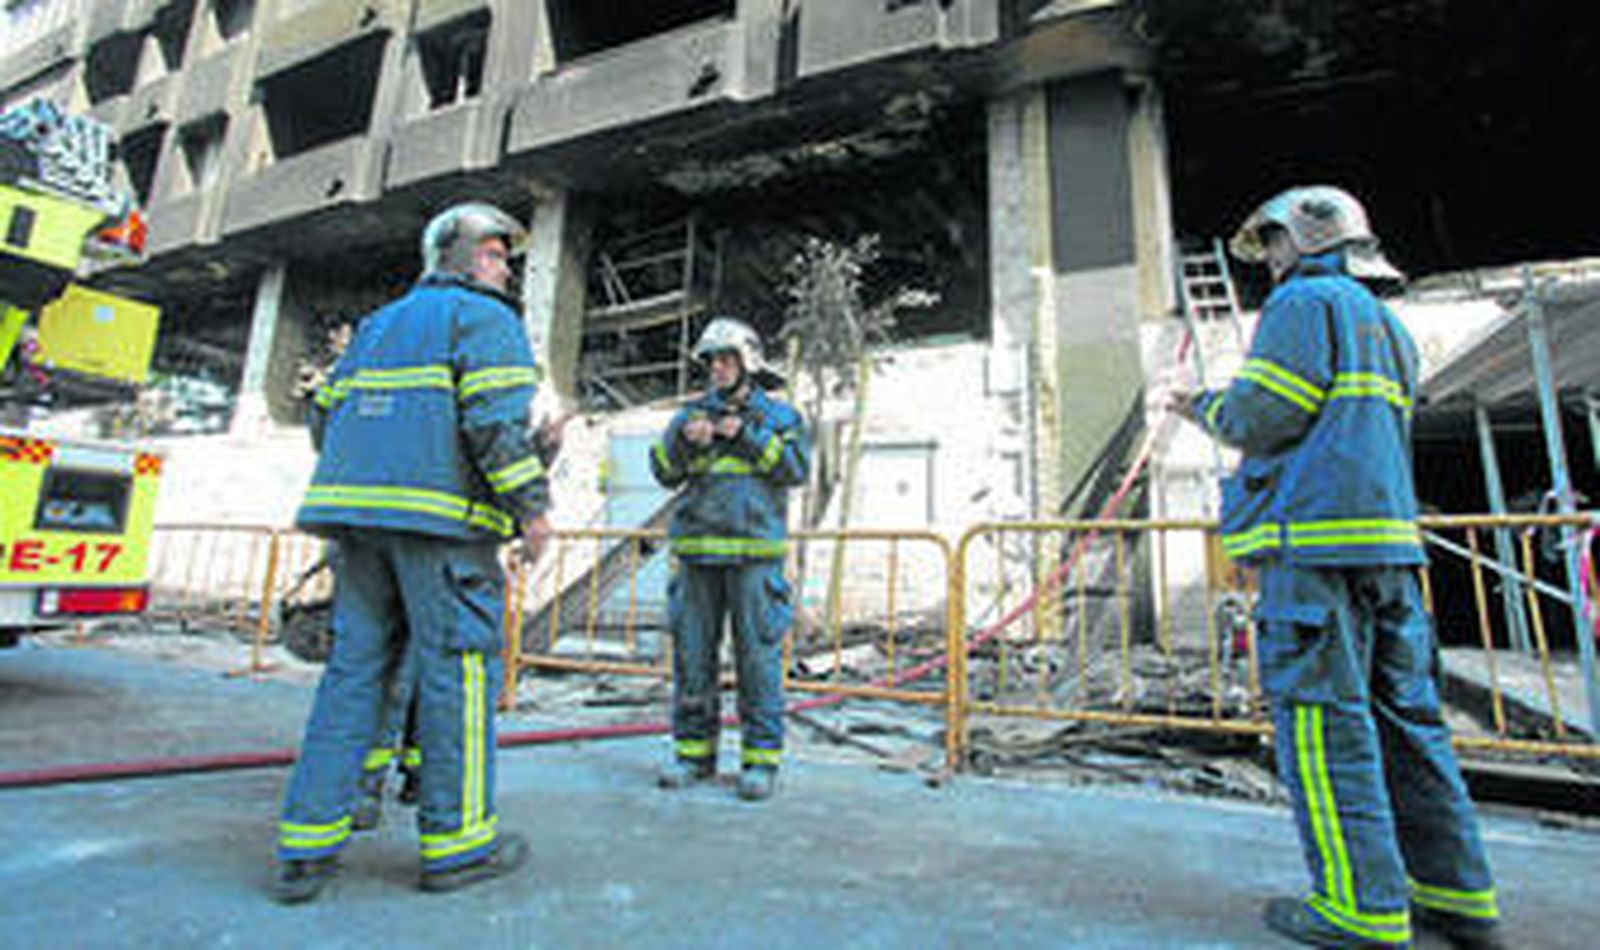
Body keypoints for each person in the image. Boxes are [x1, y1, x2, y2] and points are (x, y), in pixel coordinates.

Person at [1172, 186, 1504, 949]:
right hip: (1387, 550)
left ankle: (1359, 907)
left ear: (1302, 237)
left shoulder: (1303, 305)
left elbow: (1264, 415)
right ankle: (1456, 895)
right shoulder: (1389, 326)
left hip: (1315, 548)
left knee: (1324, 728)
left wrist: (1202, 409)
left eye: (1275, 243)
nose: (1272, 260)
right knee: (1409, 723)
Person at [272, 202, 554, 903]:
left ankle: (308, 846)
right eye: (493, 251)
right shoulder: (488, 319)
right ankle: (457, 848)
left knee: (353, 673)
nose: (504, 265)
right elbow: (492, 422)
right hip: (443, 536)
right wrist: (534, 505)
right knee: (460, 675)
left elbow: (324, 421)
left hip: (359, 532)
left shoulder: (376, 327)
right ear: (451, 253)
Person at [649, 317, 809, 801]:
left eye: (725, 359)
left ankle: (760, 761)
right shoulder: (691, 416)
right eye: (711, 361)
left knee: (757, 663)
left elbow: (796, 468)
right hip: (697, 558)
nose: (717, 368)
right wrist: (682, 440)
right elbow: (660, 470)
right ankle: (692, 755)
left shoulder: (779, 417)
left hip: (754, 560)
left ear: (748, 362)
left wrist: (746, 437)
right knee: (693, 660)